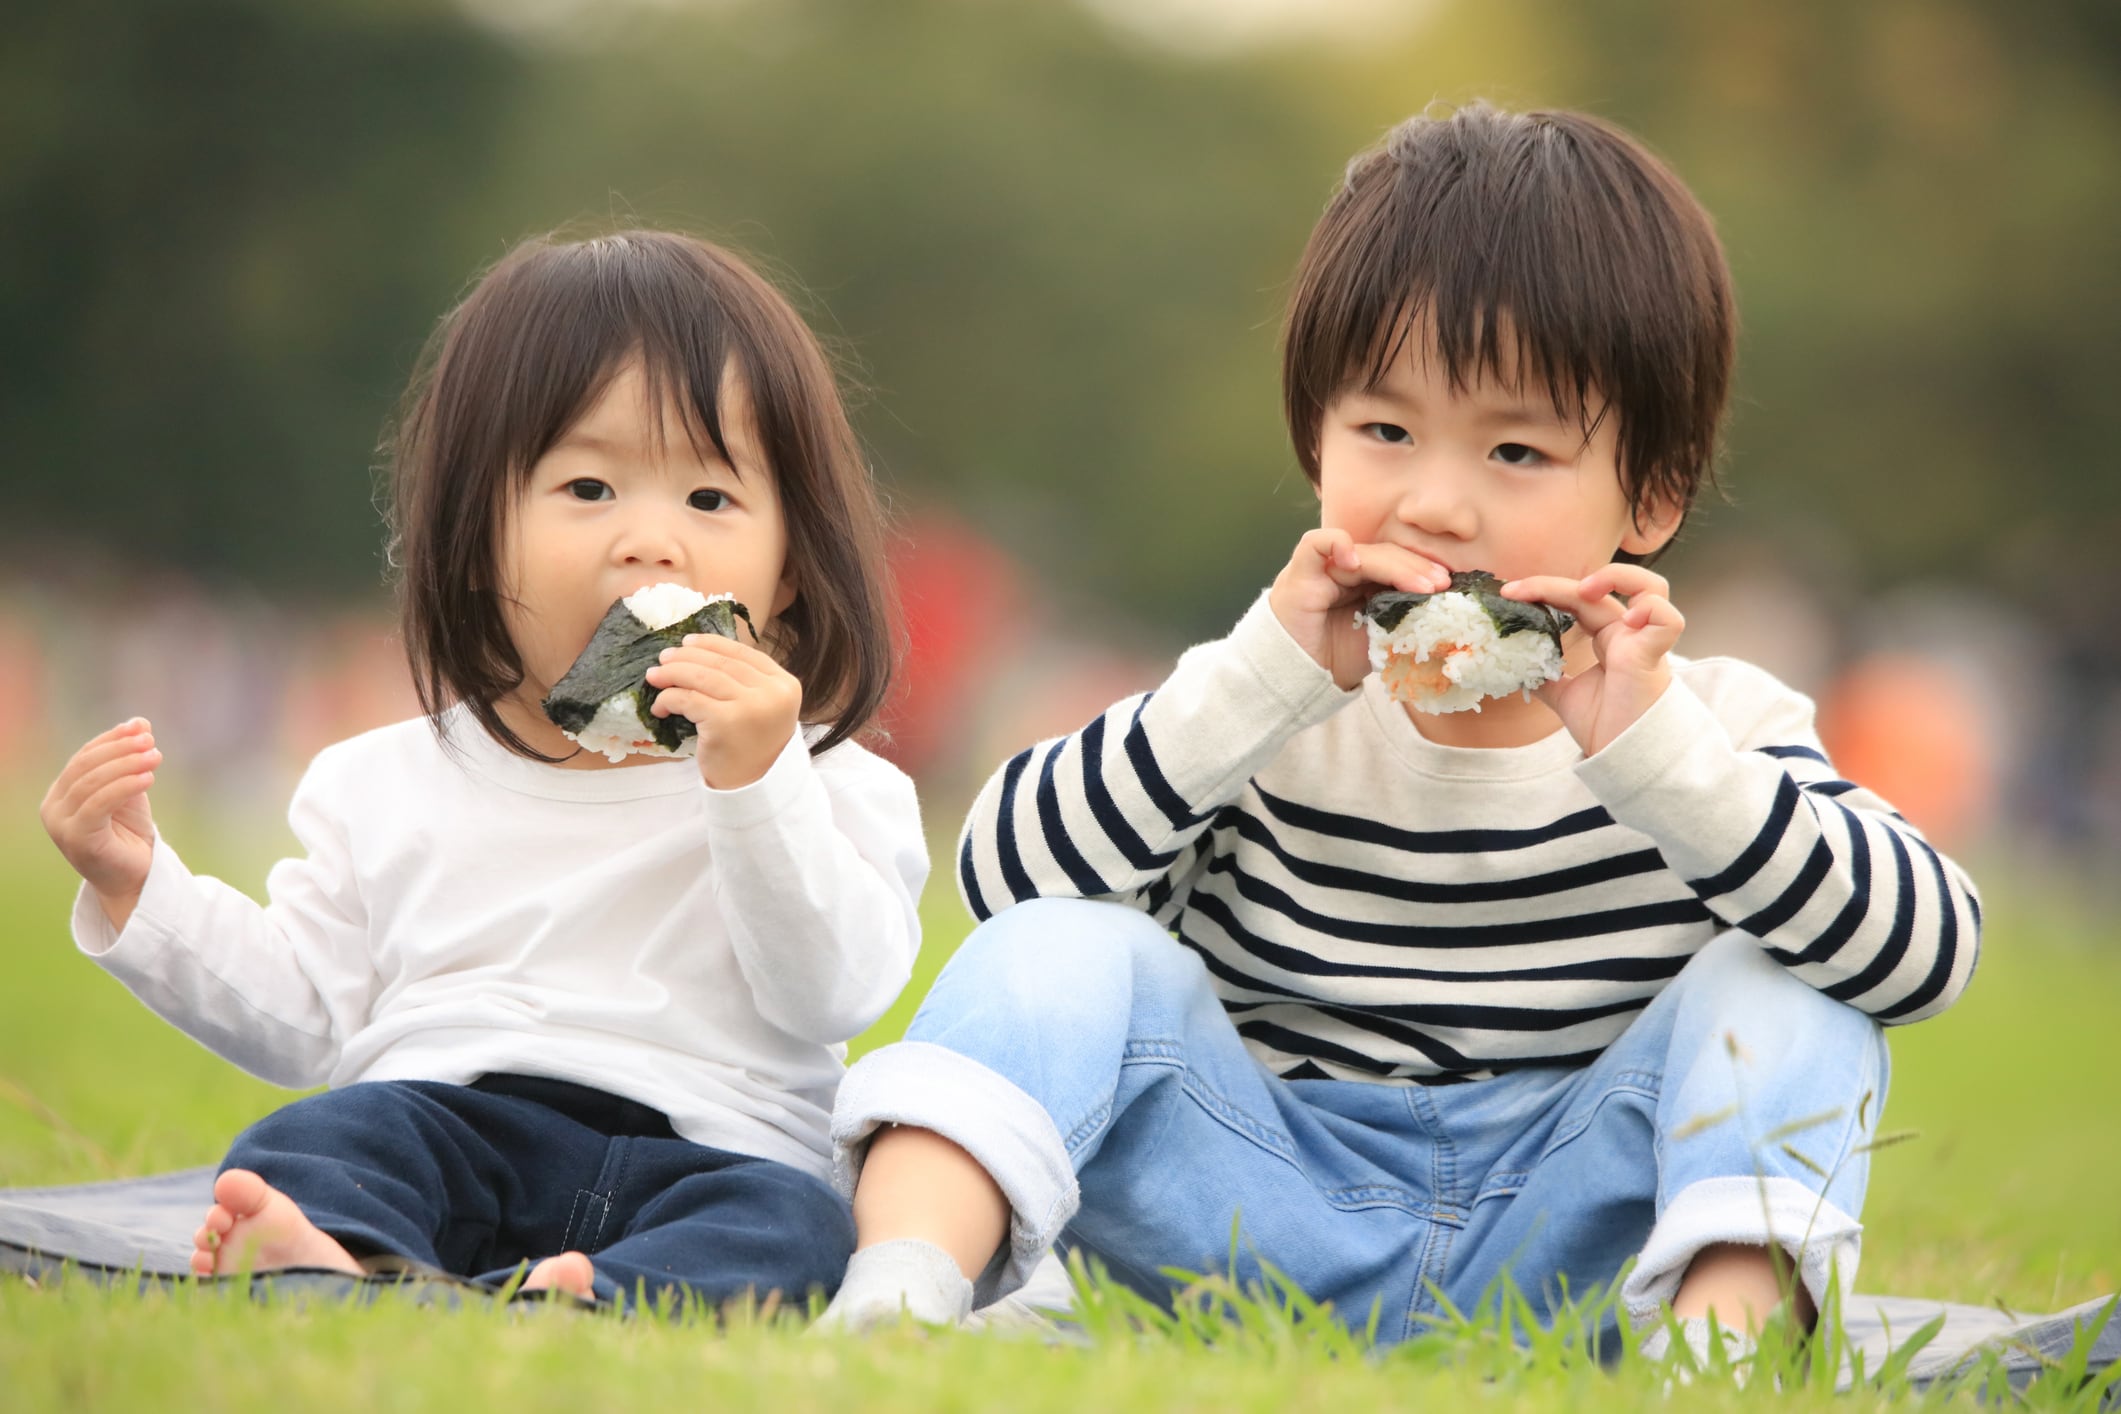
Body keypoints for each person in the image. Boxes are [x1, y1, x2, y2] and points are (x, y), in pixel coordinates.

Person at [820, 104, 1981, 1353]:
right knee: (1071, 948)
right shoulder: (1255, 701)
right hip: (1259, 1223)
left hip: (1580, 1243)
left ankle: (1715, 1361)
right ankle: (893, 1308)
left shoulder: (1714, 729)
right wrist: (1258, 685)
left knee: (1786, 984)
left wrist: (1658, 760)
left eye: (1518, 450)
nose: (1437, 504)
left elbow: (1919, 955)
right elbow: (1009, 886)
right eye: (1385, 431)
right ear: (1314, 440)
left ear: (1648, 495)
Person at [39, 230, 926, 1310]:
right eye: (589, 486)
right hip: (451, 1119)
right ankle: (334, 1248)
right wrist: (142, 890)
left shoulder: (831, 783)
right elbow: (307, 1014)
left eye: (710, 500)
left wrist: (755, 783)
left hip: (715, 1154)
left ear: (791, 571)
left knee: (805, 1226)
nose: (653, 542)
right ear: (474, 542)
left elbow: (833, 989)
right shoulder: (387, 781)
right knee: (326, 1135)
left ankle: (602, 1294)